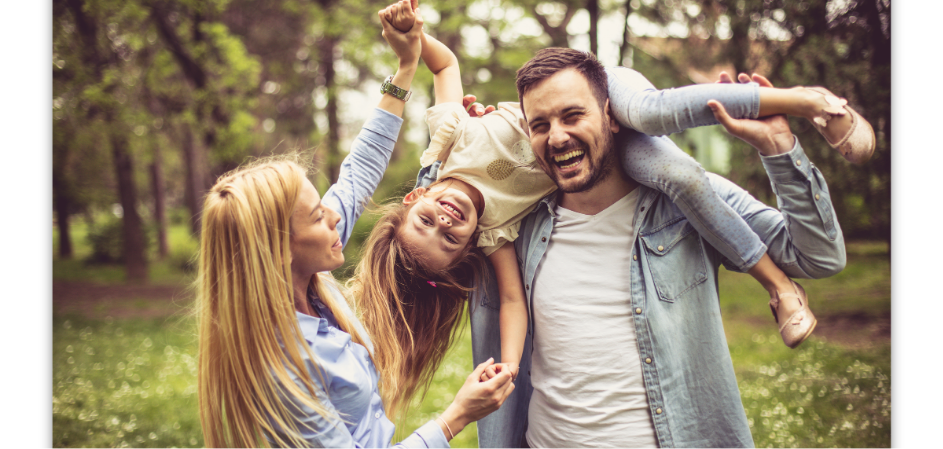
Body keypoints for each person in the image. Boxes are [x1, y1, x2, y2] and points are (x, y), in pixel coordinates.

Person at [372, 0, 870, 387]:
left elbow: (444, 68)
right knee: (681, 177)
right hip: (607, 151)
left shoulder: (449, 138)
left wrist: (413, 40)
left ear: (414, 201)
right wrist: (507, 365)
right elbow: (510, 302)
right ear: (466, 248)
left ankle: (810, 101)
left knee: (652, 113)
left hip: (591, 90)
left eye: (427, 222)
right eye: (449, 239)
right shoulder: (496, 232)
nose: (447, 222)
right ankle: (780, 287)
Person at [465, 52, 847, 448]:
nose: (557, 136)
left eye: (573, 116)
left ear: (611, 117)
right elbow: (429, 241)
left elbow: (819, 257)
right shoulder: (518, 228)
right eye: (540, 125)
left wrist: (779, 149)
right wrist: (459, 153)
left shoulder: (690, 204)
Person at [195, 10, 514, 448]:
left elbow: (359, 170)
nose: (335, 216)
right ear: (277, 250)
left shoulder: (309, 274)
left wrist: (405, 67)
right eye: (316, 216)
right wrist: (456, 416)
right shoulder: (281, 367)